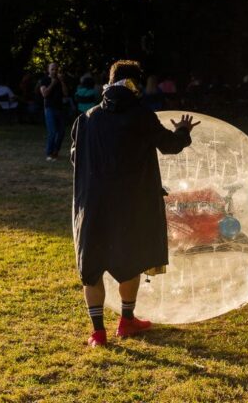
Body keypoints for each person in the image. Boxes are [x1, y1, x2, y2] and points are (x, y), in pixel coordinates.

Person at [70, 59, 199, 348]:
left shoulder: (86, 118)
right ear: (135, 85)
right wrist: (183, 131)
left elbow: (75, 157)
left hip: (92, 204)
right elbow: (170, 146)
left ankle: (98, 332)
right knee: (130, 261)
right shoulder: (141, 115)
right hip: (130, 203)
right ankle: (126, 321)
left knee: (92, 265)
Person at [39, 62, 69, 161]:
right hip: (49, 108)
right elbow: (44, 94)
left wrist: (62, 81)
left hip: (60, 108)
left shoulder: (61, 80)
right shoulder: (44, 80)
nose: (54, 71)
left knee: (61, 132)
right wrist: (52, 83)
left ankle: (55, 152)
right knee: (52, 132)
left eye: (56, 69)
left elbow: (66, 94)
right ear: (48, 70)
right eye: (52, 69)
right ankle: (49, 153)